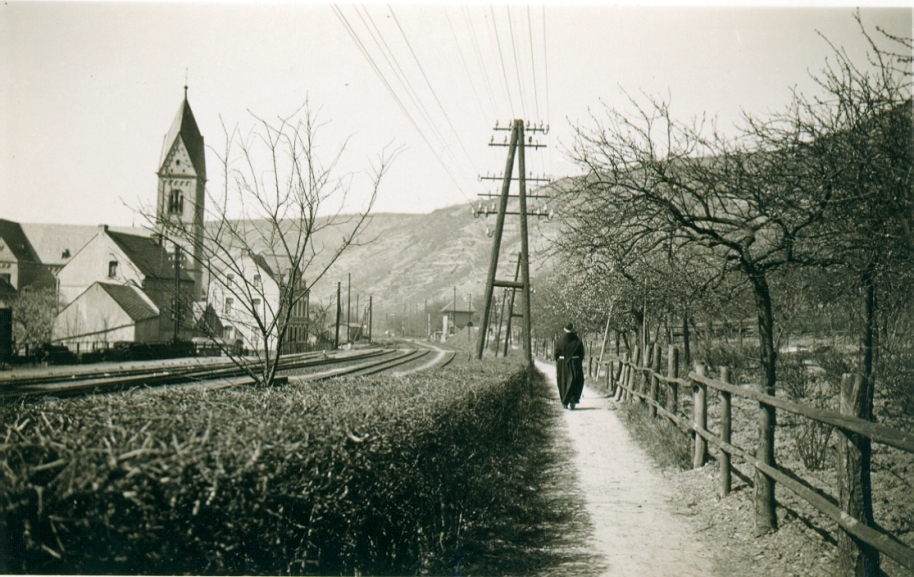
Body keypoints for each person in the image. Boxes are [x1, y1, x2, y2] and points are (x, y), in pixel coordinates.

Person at [554, 322, 585, 409]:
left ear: (564, 329)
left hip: (562, 363)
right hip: (575, 363)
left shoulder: (558, 341)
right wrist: (577, 362)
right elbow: (582, 354)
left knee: (563, 381)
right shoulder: (578, 341)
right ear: (573, 329)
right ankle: (573, 398)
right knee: (576, 380)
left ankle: (564, 401)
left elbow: (556, 354)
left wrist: (560, 362)